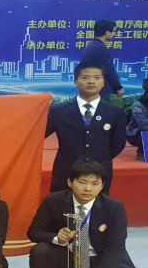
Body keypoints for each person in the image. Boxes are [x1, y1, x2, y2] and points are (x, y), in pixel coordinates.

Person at [28, 159, 139, 268]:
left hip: (101, 260)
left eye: (95, 183)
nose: (88, 188)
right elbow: (34, 232)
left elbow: (114, 247)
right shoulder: (53, 201)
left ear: (102, 185)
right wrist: (56, 238)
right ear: (70, 182)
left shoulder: (114, 207)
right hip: (68, 258)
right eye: (82, 182)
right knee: (40, 251)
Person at [46, 62, 126, 195]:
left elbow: (118, 143)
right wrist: (40, 109)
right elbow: (38, 134)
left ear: (103, 82)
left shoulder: (115, 111)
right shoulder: (58, 110)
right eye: (85, 77)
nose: (91, 81)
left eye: (97, 77)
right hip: (66, 171)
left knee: (96, 207)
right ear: (75, 82)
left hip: (99, 171)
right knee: (62, 206)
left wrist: (97, 158)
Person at [81, 19, 124, 100]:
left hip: (93, 88)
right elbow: (108, 70)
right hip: (100, 90)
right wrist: (118, 87)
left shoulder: (93, 45)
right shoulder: (99, 48)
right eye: (114, 31)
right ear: (107, 32)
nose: (115, 34)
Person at [127, 78, 148, 162]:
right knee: (146, 128)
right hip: (135, 135)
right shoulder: (138, 105)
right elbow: (142, 122)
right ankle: (141, 153)